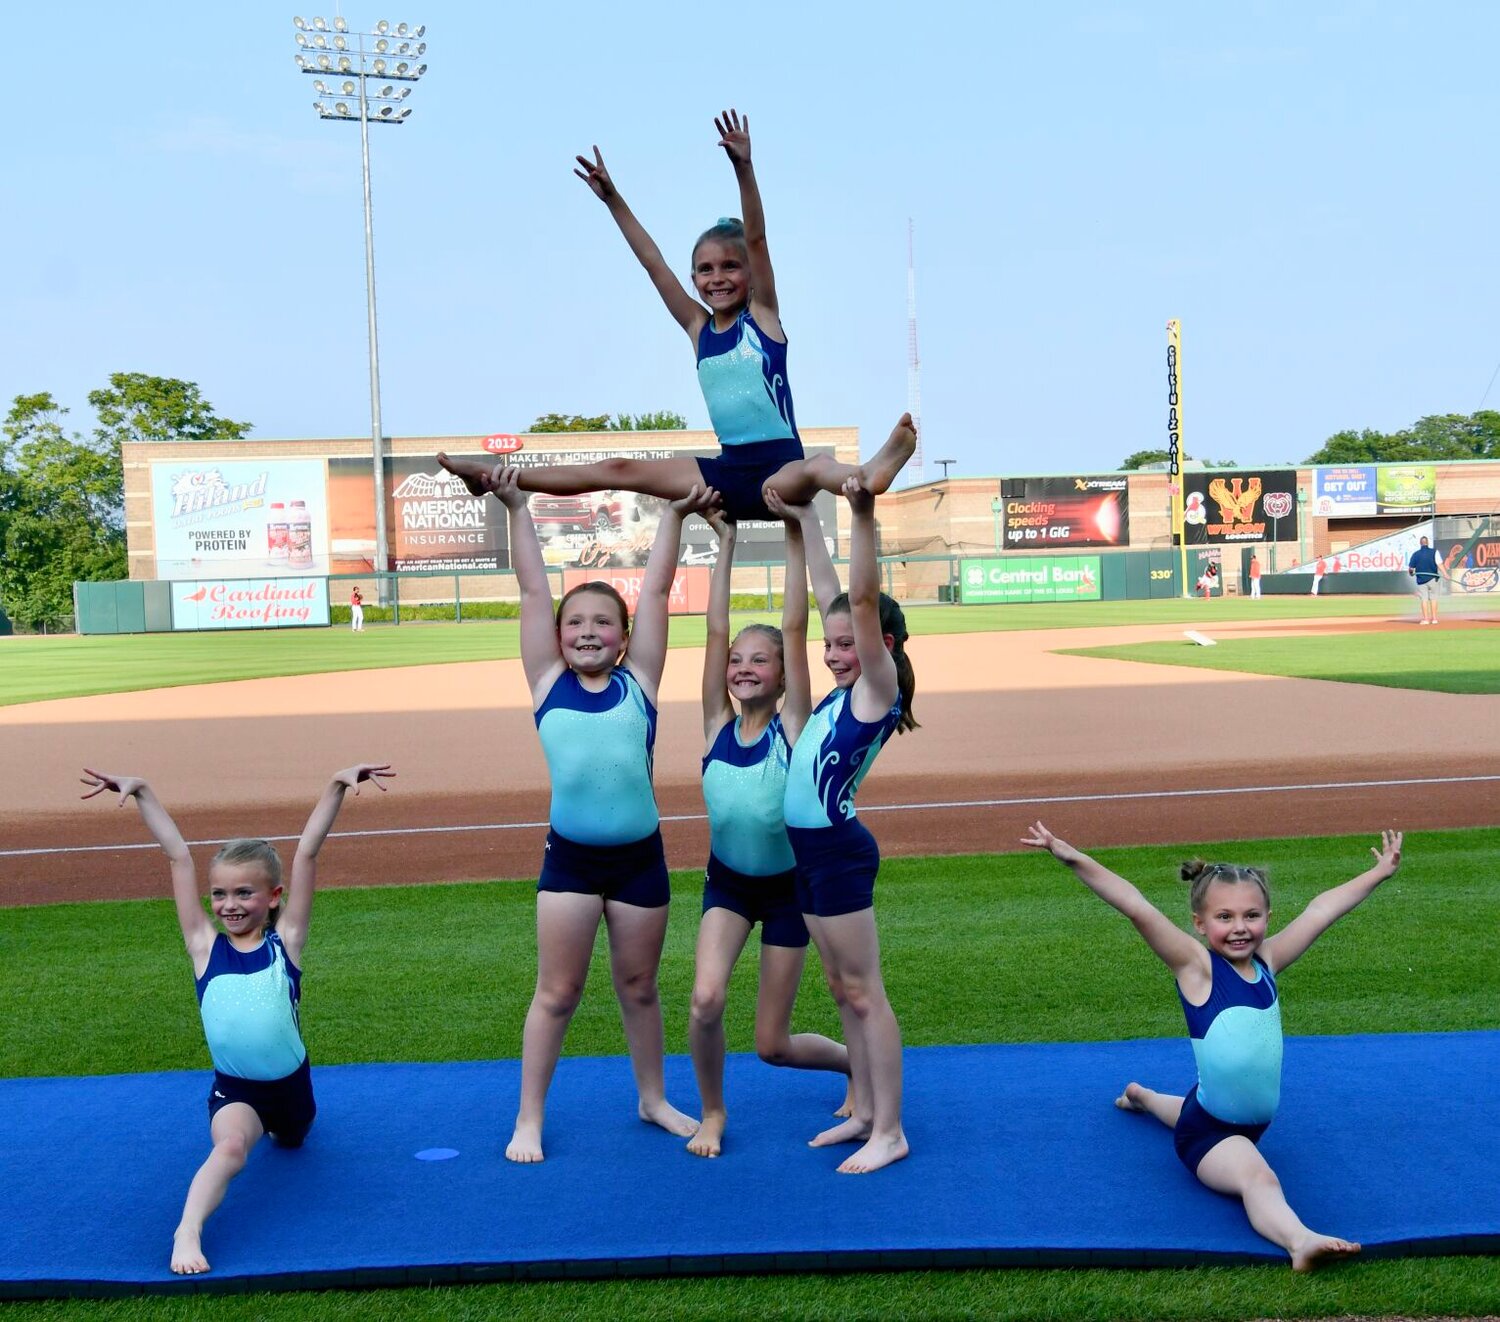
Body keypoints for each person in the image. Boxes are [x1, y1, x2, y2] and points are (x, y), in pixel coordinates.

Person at [437, 111, 915, 521]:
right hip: (723, 475)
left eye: (730, 267)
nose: (717, 277)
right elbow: (653, 264)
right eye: (705, 270)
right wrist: (613, 200)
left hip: (779, 475)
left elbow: (757, 241)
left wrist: (744, 169)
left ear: (751, 276)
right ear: (693, 280)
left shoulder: (763, 318)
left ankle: (866, 474)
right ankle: (496, 476)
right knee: (618, 469)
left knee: (817, 467)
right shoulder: (698, 328)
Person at [1021, 821, 1404, 1271]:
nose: (1240, 928)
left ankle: (1140, 1095)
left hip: (1212, 1109)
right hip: (1211, 1135)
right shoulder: (1196, 969)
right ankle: (1300, 1241)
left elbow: (1321, 910)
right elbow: (1135, 905)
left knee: (1188, 1104)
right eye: (1225, 918)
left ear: (1268, 917)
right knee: (1258, 1176)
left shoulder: (1268, 963)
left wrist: (1378, 873)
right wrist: (1073, 857)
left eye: (1251, 915)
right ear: (1200, 924)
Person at [79, 762, 394, 1275]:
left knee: (292, 1139)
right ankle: (188, 1229)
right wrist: (143, 793)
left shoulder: (285, 944)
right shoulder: (204, 949)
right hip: (236, 1090)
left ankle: (281, 1129)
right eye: (220, 894)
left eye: (244, 893)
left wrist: (335, 786)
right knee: (230, 1147)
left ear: (273, 899)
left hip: (292, 1088)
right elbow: (179, 857)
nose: (229, 904)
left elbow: (308, 854)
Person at [491, 464, 711, 1163]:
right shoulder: (547, 682)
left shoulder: (640, 683)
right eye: (575, 623)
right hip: (572, 863)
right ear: (557, 638)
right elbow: (533, 588)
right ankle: (529, 1117)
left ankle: (652, 1098)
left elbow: (654, 588)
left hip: (641, 861)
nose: (588, 632)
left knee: (640, 987)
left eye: (602, 623)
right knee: (556, 992)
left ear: (623, 638)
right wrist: (516, 506)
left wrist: (675, 513)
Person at [686, 497, 851, 1159]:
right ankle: (713, 1113)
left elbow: (794, 620)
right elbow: (715, 628)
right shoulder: (713, 726)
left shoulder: (793, 729)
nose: (744, 666)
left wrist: (791, 534)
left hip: (789, 892)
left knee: (772, 1045)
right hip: (728, 887)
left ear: (783, 676)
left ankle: (854, 1062)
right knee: (703, 1000)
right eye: (738, 661)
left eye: (762, 659)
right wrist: (722, 541)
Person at [783, 422, 919, 1174]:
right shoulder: (842, 691)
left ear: (882, 648)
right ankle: (863, 1109)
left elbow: (860, 600)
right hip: (810, 856)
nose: (835, 653)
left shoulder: (876, 688)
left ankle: (889, 1129)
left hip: (837, 854)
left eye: (847, 645)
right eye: (830, 646)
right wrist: (807, 515)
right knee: (841, 987)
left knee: (865, 992)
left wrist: (861, 510)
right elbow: (839, 595)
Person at [1408, 534, 1441, 625]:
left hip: (1421, 580)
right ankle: (1434, 619)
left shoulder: (1415, 554)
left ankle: (1426, 619)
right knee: (1434, 598)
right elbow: (1440, 564)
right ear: (1428, 543)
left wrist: (1411, 573)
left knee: (1424, 599)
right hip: (1433, 579)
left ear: (1420, 543)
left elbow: (1411, 569)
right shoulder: (1434, 552)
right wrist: (1446, 575)